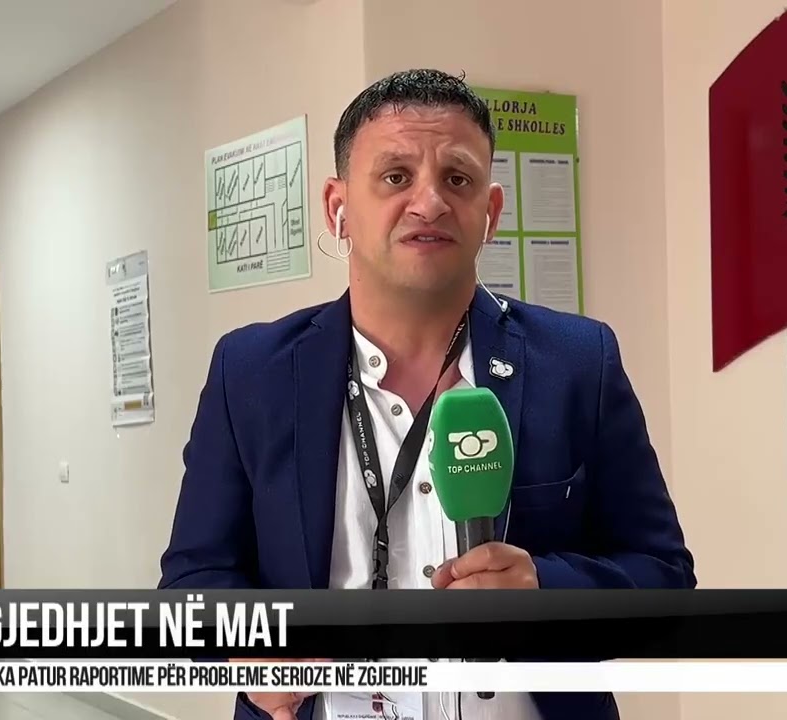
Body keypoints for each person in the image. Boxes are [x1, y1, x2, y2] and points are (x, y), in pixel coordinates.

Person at [159, 68, 696, 720]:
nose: (430, 202)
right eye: (395, 177)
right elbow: (192, 580)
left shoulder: (578, 362)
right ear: (336, 207)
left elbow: (664, 578)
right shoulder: (251, 372)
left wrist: (546, 589)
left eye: (458, 180)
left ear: (490, 213)